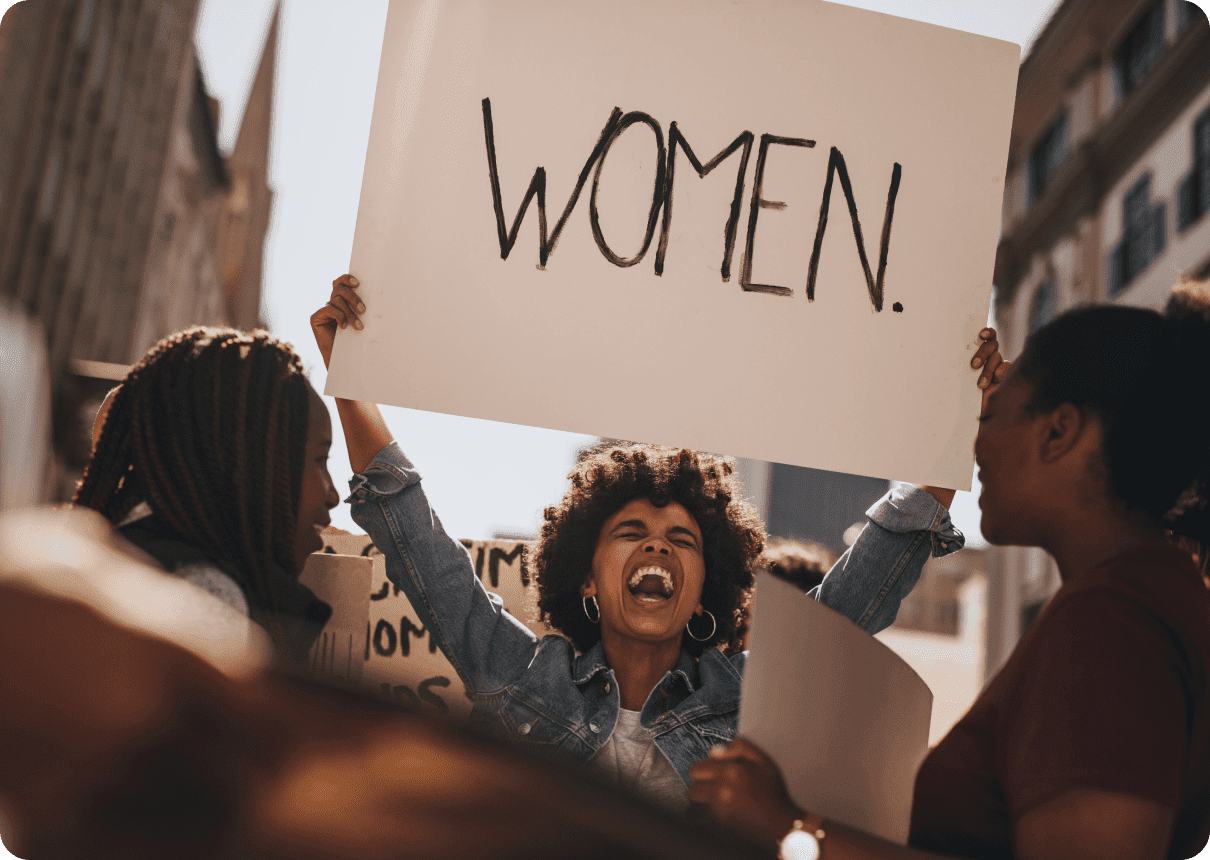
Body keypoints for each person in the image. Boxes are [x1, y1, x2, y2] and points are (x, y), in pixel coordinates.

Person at [311, 274, 1000, 812]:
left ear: (708, 583)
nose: (659, 550)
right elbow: (416, 543)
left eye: (682, 540)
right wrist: (351, 371)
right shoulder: (520, 674)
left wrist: (957, 419)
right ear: (586, 576)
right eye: (631, 532)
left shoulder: (753, 694)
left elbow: (863, 586)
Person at [690, 304, 1210, 860]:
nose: (975, 446)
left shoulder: (1112, 621)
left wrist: (789, 827)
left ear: (1057, 431)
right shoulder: (1149, 599)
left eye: (988, 419)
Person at [74, 326, 340, 665]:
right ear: (248, 465)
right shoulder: (206, 595)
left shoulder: (117, 556)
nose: (333, 494)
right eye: (320, 458)